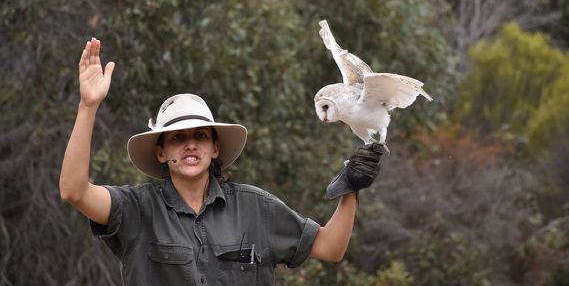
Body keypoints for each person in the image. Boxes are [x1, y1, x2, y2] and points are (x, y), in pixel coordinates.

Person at [59, 38, 384, 286]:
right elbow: (74, 191)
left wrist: (350, 188)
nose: (190, 144)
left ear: (215, 148)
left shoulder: (257, 208)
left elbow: (331, 247)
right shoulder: (136, 209)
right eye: (176, 137)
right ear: (160, 152)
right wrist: (88, 106)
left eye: (200, 136)